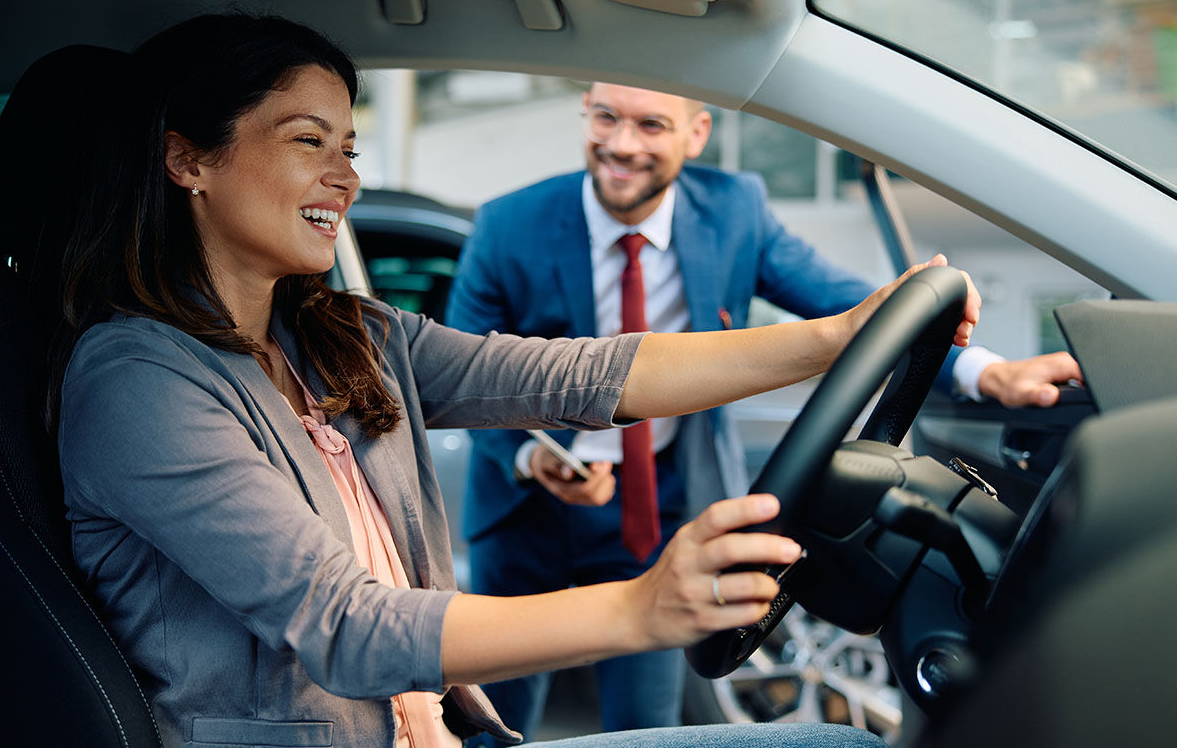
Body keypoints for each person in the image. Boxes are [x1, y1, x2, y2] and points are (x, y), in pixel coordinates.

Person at [51, 15, 978, 748]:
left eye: (350, 147)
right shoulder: (139, 381)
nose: (345, 177)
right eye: (309, 141)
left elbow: (583, 373)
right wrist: (640, 606)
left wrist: (841, 336)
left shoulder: (341, 336)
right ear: (188, 160)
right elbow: (343, 625)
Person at [444, 83, 1081, 743]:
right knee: (494, 722)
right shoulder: (507, 223)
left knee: (646, 726)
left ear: (697, 134)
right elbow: (466, 374)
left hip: (662, 509)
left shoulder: (735, 210)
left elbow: (845, 305)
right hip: (526, 513)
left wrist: (990, 372)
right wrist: (531, 452)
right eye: (604, 118)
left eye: (651, 125)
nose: (621, 144)